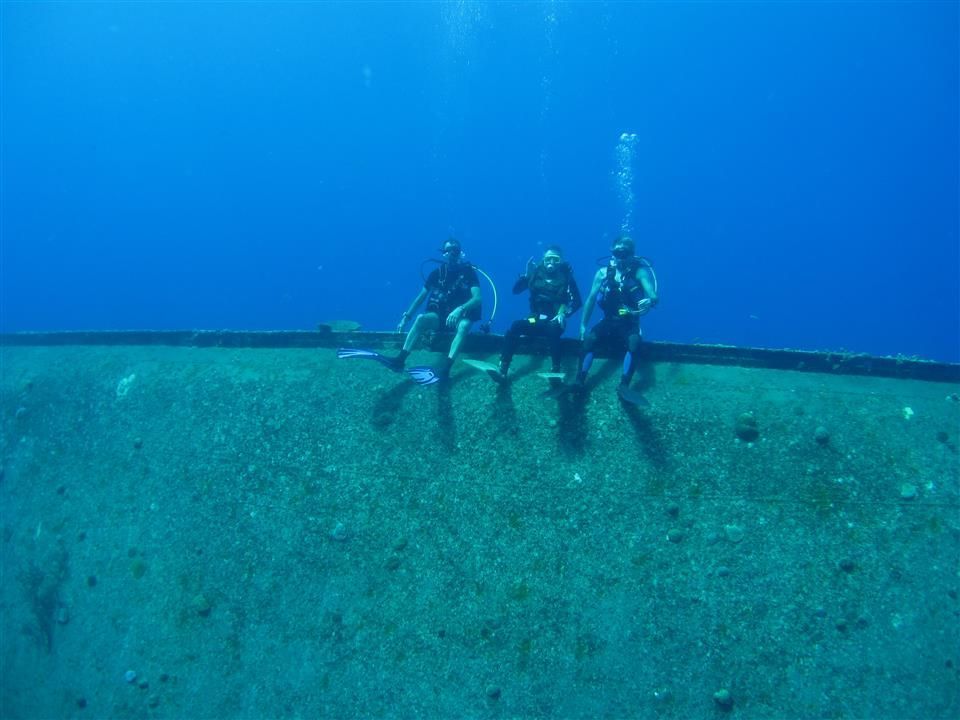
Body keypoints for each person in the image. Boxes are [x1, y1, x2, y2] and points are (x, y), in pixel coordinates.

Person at [575, 236, 658, 403]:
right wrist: (583, 326)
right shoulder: (602, 273)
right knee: (589, 340)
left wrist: (650, 301)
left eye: (625, 253)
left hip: (630, 322)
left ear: (632, 255)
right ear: (612, 252)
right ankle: (579, 380)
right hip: (609, 320)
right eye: (617, 252)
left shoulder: (640, 272)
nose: (621, 257)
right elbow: (591, 299)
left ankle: (624, 385)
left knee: (634, 342)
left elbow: (653, 295)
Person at [389, 238, 482, 381]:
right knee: (421, 319)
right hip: (441, 317)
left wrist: (459, 309)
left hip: (460, 317)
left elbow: (477, 298)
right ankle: (400, 359)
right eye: (448, 250)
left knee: (464, 326)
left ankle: (446, 369)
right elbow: (420, 297)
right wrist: (406, 318)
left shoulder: (468, 272)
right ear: (443, 253)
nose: (452, 253)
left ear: (460, 253)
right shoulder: (436, 274)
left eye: (455, 250)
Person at [487, 245, 581, 384]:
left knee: (553, 329)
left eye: (555, 259)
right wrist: (526, 275)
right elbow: (516, 290)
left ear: (560, 261)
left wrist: (564, 314)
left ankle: (555, 369)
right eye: (548, 259)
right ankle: (503, 368)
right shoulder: (535, 273)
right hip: (535, 319)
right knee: (516, 325)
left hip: (555, 320)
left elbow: (577, 302)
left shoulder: (566, 277)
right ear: (543, 259)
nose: (551, 263)